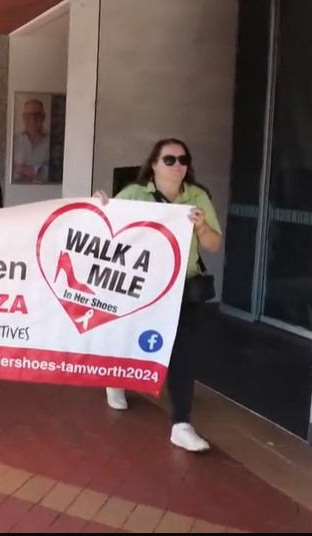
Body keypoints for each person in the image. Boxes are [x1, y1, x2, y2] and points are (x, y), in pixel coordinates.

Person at [95, 137, 222, 453]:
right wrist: (98, 206)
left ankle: (181, 423)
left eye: (183, 160)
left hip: (182, 289)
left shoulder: (197, 196)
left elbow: (213, 245)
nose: (178, 165)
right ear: (153, 163)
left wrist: (203, 227)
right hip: (143, 288)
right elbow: (108, 223)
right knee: (129, 335)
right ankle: (116, 378)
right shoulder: (137, 194)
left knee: (183, 352)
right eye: (170, 159)